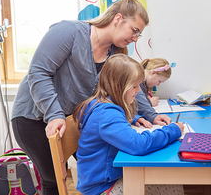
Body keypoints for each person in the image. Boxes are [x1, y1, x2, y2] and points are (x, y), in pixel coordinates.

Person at [11, 0, 169, 194]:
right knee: (52, 179)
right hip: (33, 117)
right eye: (135, 30)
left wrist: (149, 116)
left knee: (95, 167)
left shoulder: (116, 52)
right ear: (118, 19)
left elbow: (131, 85)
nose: (136, 38)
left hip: (71, 118)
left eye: (139, 34)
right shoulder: (69, 32)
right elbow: (38, 72)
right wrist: (55, 115)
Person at [73, 54, 184, 195]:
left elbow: (112, 122)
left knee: (166, 178)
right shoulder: (107, 114)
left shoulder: (102, 103)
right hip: (102, 188)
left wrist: (133, 118)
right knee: (170, 183)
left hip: (105, 180)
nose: (138, 91)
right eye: (134, 86)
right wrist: (173, 130)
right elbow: (139, 144)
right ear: (118, 86)